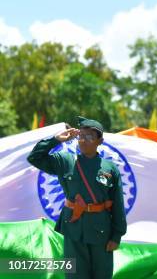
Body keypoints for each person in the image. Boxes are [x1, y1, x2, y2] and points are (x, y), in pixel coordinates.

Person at [27, 116, 127, 279]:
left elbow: (117, 204)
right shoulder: (65, 161)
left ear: (100, 141)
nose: (83, 140)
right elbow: (35, 157)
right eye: (81, 135)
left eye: (89, 137)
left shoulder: (110, 168)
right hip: (74, 230)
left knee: (102, 275)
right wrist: (55, 140)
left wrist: (116, 236)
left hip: (100, 231)